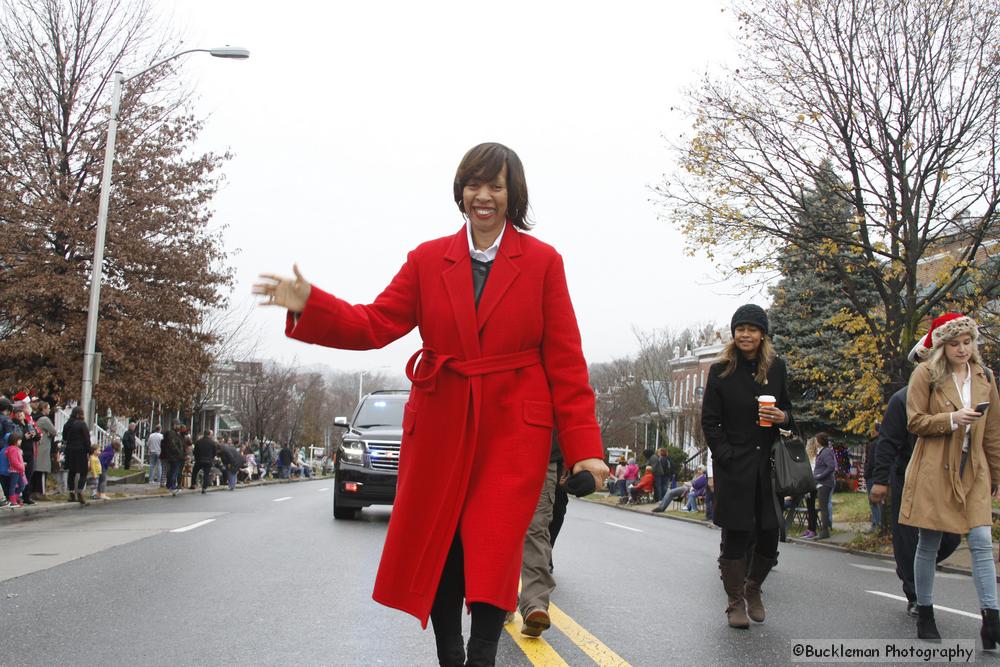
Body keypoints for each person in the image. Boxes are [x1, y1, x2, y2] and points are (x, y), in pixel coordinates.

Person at [254, 142, 607, 667]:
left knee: (494, 543)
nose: (483, 196)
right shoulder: (426, 259)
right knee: (443, 542)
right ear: (460, 191)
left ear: (513, 196)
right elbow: (375, 324)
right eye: (474, 184)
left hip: (515, 426)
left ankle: (484, 650)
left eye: (496, 186)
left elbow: (566, 362)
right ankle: (450, 651)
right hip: (442, 419)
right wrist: (311, 303)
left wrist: (585, 450)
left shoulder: (542, 262)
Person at [897, 313, 1000, 646]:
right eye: (955, 343)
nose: (962, 349)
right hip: (934, 467)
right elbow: (915, 422)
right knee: (929, 543)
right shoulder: (925, 374)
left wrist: (997, 473)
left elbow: (994, 432)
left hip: (974, 470)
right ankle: (925, 613)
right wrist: (952, 419)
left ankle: (991, 620)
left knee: (982, 541)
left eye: (968, 342)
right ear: (942, 345)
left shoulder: (985, 376)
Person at [701, 304, 791, 629]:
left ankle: (753, 588)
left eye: (752, 329)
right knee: (736, 535)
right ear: (734, 333)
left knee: (769, 535)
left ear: (762, 334)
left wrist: (783, 417)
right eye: (740, 329)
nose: (745, 334)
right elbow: (710, 422)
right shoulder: (721, 370)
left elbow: (789, 412)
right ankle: (734, 602)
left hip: (767, 469)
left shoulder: (777, 368)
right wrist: (725, 455)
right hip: (735, 467)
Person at [870, 380, 960, 616]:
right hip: (907, 475)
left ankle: (911, 567)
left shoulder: (953, 394)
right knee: (907, 537)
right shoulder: (902, 399)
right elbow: (887, 442)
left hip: (943, 475)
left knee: (952, 536)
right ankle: (915, 596)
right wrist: (880, 481)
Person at [515, 432, 562, 638]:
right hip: (496, 450)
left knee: (536, 529)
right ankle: (500, 600)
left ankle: (535, 604)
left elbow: (569, 406)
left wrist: (581, 457)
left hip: (542, 454)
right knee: (503, 532)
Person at [62, 406, 91, 505]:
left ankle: (71, 494)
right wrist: (89, 451)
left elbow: (64, 437)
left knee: (72, 472)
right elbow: (87, 439)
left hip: (70, 450)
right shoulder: (82, 424)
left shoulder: (67, 424)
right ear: (79, 414)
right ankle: (79, 491)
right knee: (83, 472)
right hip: (80, 451)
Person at [812, 433, 836, 539]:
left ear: (820, 441)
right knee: (823, 507)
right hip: (821, 483)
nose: (815, 442)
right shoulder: (822, 452)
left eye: (816, 440)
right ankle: (824, 529)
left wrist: (820, 476)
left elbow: (831, 466)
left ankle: (824, 530)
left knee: (824, 507)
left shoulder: (826, 452)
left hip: (824, 483)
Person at [33, 401, 57, 500]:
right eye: (48, 408)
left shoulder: (35, 417)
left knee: (35, 471)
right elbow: (54, 431)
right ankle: (41, 493)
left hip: (37, 447)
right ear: (43, 408)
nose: (49, 409)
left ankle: (33, 492)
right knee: (42, 471)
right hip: (43, 448)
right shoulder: (44, 419)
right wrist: (49, 433)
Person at [160, 421, 184, 496]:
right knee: (174, 471)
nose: (179, 427)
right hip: (174, 456)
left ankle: (169, 484)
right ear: (174, 425)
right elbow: (173, 445)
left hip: (173, 456)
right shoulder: (171, 434)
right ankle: (172, 485)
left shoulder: (176, 434)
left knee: (172, 470)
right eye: (178, 425)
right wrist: (179, 452)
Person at [4, 432, 28, 506]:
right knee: (14, 486)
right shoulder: (13, 450)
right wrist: (21, 466)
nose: (20, 441)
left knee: (22, 485)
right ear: (15, 440)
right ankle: (12, 500)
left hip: (18, 470)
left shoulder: (16, 449)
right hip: (15, 470)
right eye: (19, 440)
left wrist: (22, 465)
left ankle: (14, 498)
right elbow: (14, 461)